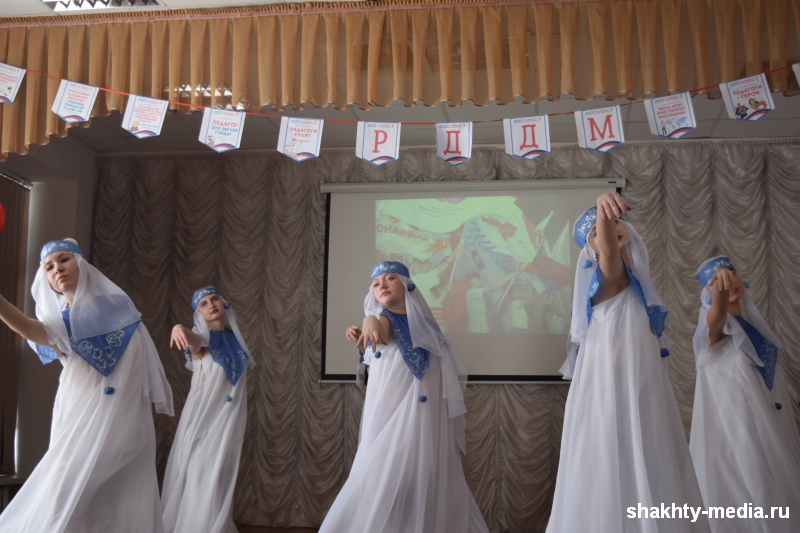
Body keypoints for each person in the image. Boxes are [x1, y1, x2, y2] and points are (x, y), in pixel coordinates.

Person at [547, 194, 709, 533]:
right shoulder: (608, 278)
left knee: (647, 451)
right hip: (613, 387)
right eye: (595, 231)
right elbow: (609, 252)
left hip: (639, 386)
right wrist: (603, 211)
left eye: (614, 221)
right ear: (590, 250)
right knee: (616, 453)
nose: (610, 228)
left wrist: (605, 220)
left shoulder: (634, 285)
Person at [0, 238, 173, 533]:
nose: (57, 269)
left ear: (81, 264)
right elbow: (28, 328)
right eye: (48, 267)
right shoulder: (59, 323)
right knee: (64, 491)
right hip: (78, 416)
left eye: (64, 260)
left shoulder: (121, 312)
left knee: (117, 497)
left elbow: (139, 368)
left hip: (123, 419)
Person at [323, 261, 489, 533]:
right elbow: (379, 331)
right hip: (392, 417)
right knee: (384, 477)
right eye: (376, 284)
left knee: (423, 477)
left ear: (407, 284)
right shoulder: (384, 319)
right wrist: (369, 320)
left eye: (390, 279)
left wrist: (371, 324)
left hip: (426, 420)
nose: (382, 285)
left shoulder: (426, 327)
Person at [690, 257, 800, 532]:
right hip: (735, 434)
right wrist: (719, 288)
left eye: (731, 274)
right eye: (718, 280)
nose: (728, 281)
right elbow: (717, 314)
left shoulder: (751, 332)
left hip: (764, 428)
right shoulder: (714, 330)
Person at [161, 287, 255, 533]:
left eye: (214, 299)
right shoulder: (200, 338)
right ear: (198, 314)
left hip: (227, 420)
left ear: (224, 303)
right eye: (203, 304)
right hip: (203, 420)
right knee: (200, 474)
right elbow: (192, 341)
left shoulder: (234, 338)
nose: (210, 304)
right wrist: (178, 328)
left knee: (219, 475)